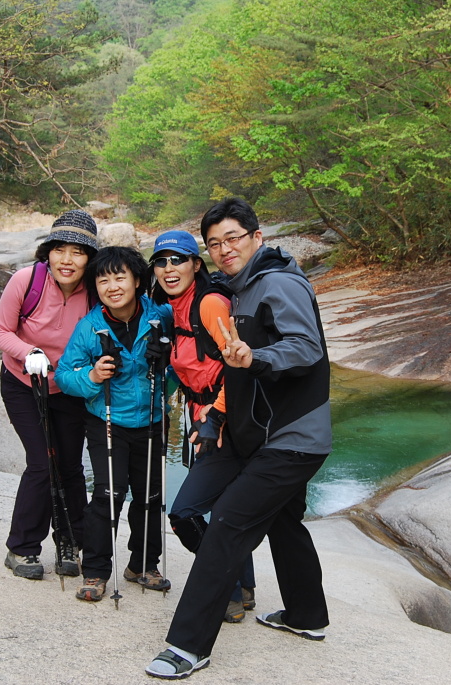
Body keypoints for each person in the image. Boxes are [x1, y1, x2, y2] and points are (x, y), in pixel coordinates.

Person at [145, 197, 331, 679]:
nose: (224, 248)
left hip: (292, 437)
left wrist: (255, 358)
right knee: (285, 523)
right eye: (214, 243)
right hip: (258, 432)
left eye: (233, 238)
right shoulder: (238, 289)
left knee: (227, 523)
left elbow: (306, 347)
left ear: (257, 238)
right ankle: (307, 617)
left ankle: (188, 646)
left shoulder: (278, 283)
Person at [149, 229, 257, 624]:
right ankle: (243, 589)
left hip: (224, 422)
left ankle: (225, 590)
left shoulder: (209, 303)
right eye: (161, 261)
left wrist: (215, 417)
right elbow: (198, 366)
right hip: (205, 419)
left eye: (178, 259)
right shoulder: (176, 307)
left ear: (197, 264)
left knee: (184, 513)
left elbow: (238, 365)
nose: (168, 268)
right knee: (225, 511)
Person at [55, 246, 174, 602]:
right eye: (103, 279)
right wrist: (92, 375)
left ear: (138, 280)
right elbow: (64, 375)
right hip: (107, 421)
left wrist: (166, 364)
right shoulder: (89, 327)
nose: (112, 286)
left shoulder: (161, 317)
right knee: (108, 495)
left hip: (152, 420)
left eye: (120, 276)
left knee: (151, 497)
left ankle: (142, 564)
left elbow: (183, 367)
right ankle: (95, 571)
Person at [0, 210, 97, 580]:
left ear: (90, 259)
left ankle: (70, 542)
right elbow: (0, 331)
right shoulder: (26, 280)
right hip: (23, 383)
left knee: (70, 467)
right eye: (60, 249)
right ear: (47, 251)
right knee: (41, 463)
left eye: (78, 252)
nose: (67, 260)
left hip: (69, 387)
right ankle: (21, 548)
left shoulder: (95, 292)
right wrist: (28, 353)